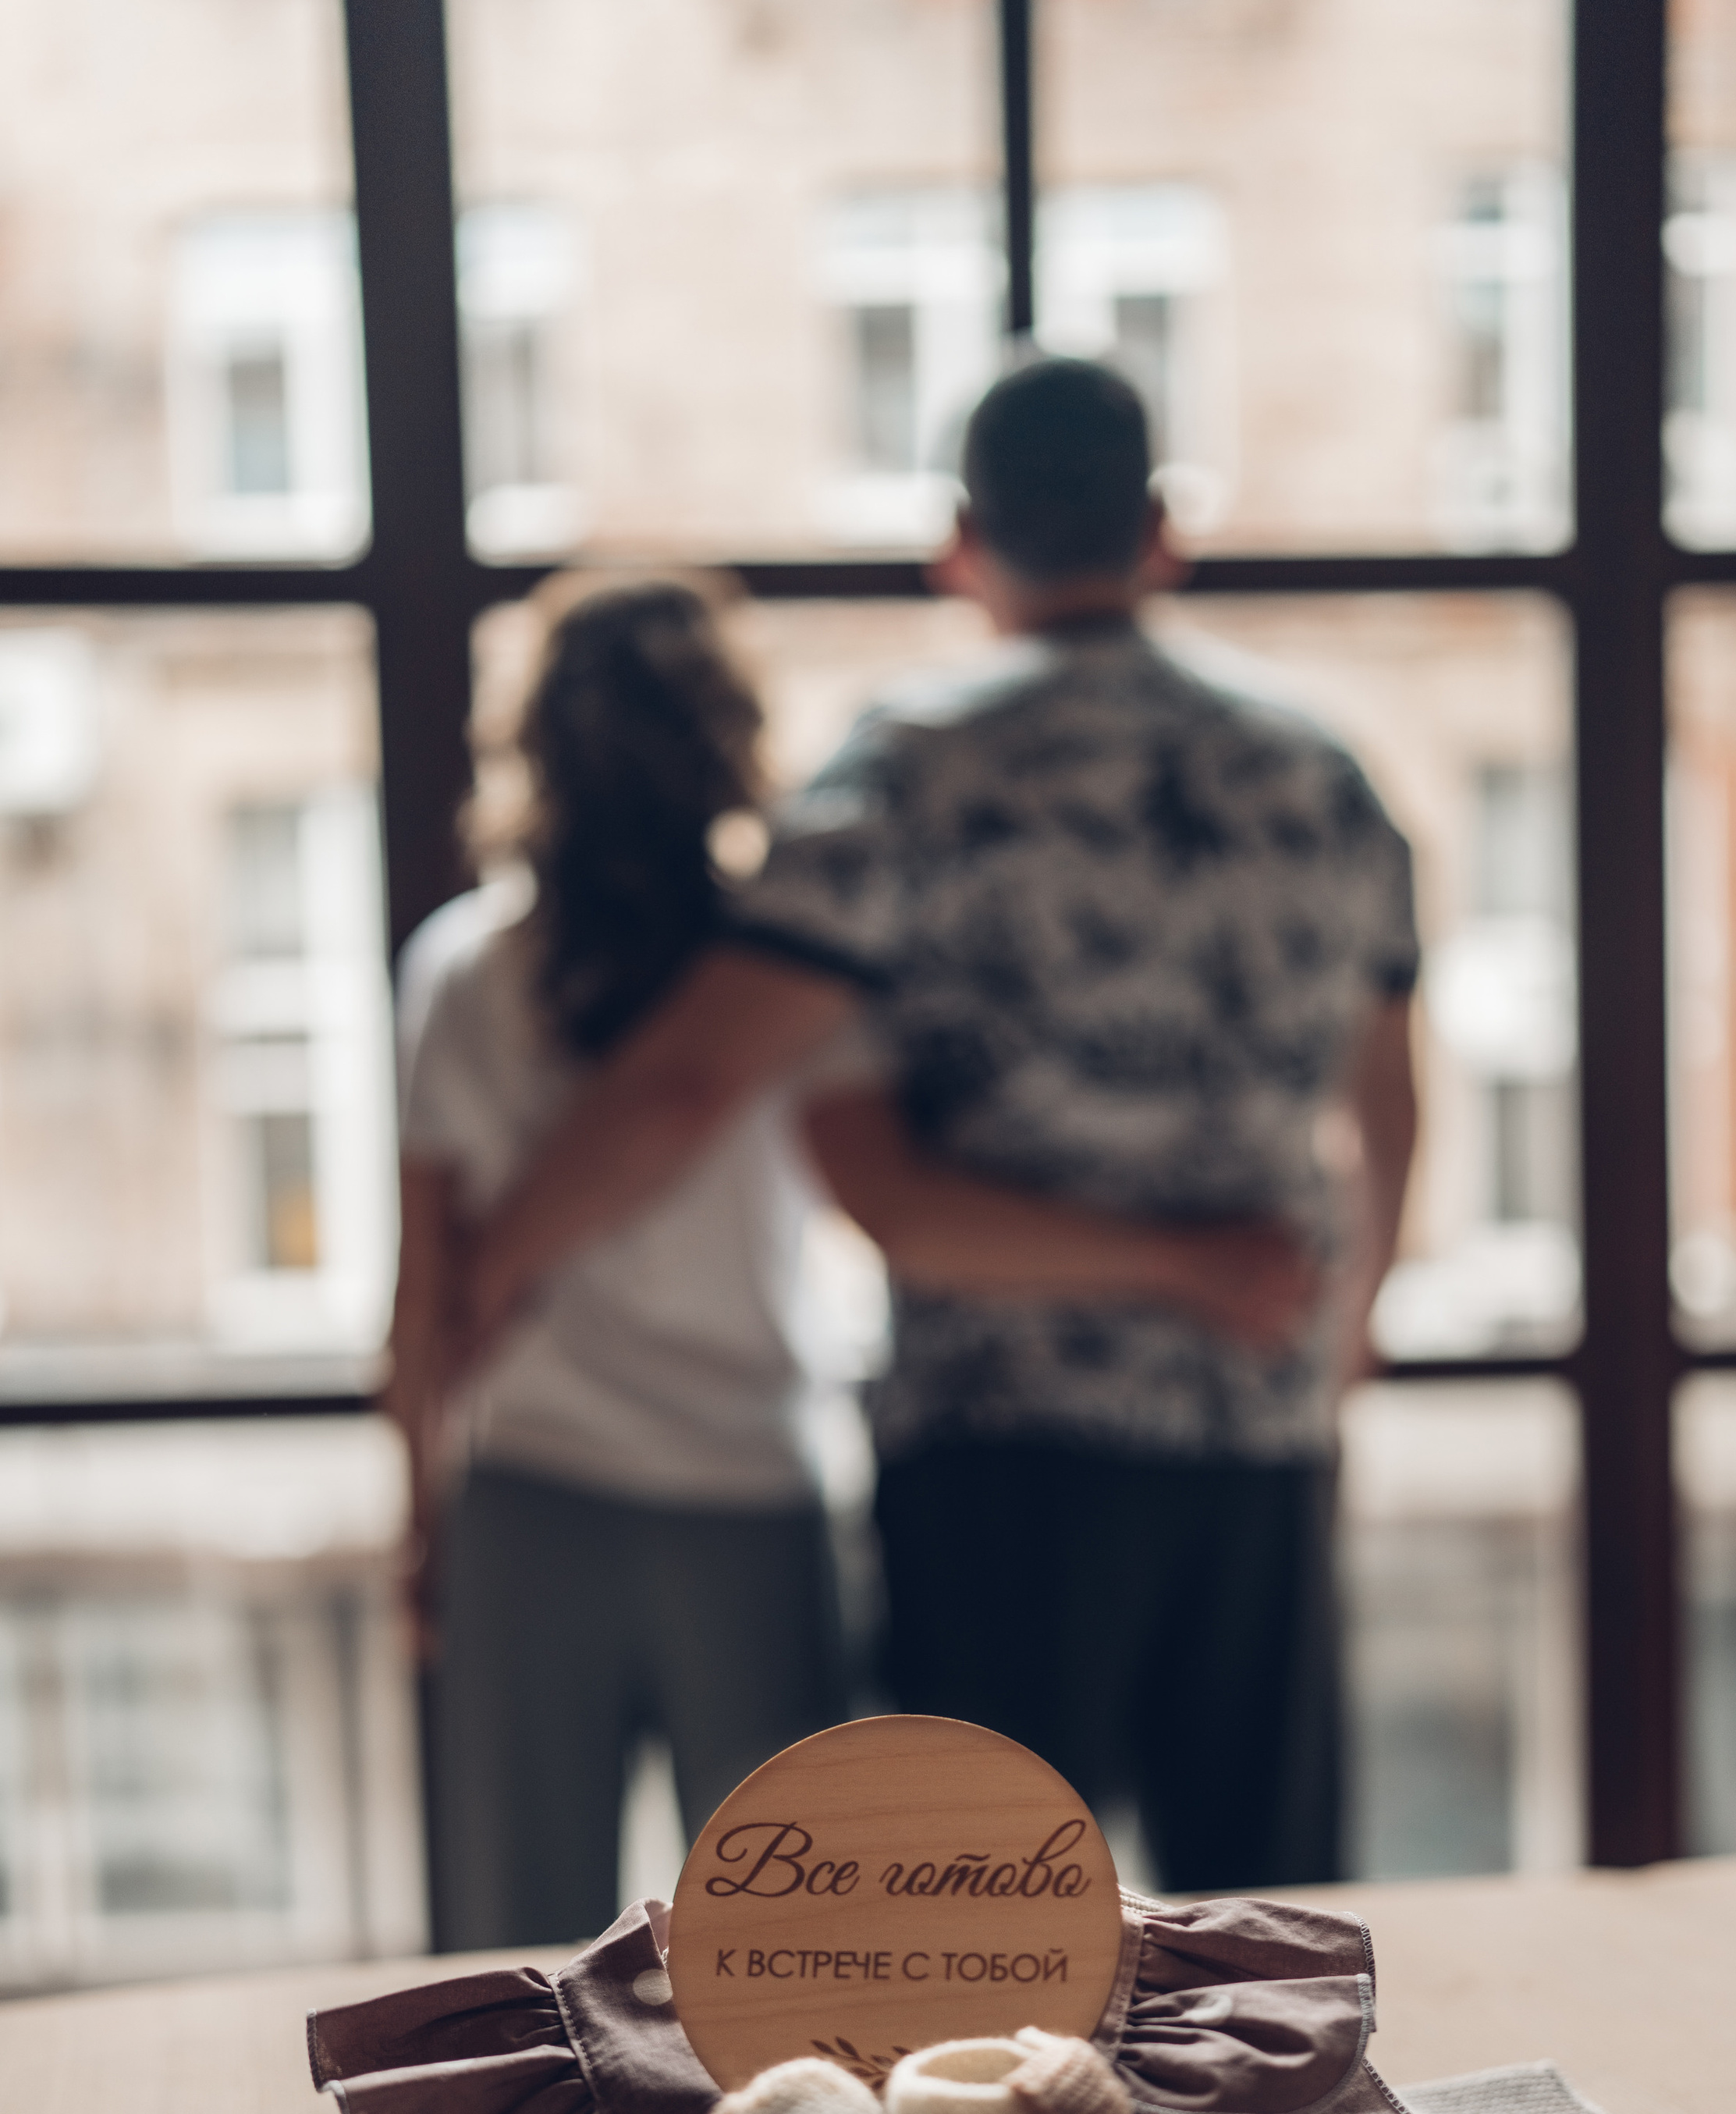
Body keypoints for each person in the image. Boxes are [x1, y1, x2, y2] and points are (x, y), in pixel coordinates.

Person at [453, 359, 1418, 1892]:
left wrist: (489, 1262)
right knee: (1264, 1924)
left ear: (959, 542)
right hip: (1258, 1428)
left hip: (999, 1458)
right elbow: (1387, 1097)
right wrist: (1332, 1330)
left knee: (992, 1942)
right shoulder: (1319, 775)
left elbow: (703, 1092)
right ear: (1159, 532)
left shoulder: (909, 774)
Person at [389, 576, 851, 1949]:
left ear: (536, 743)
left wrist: (423, 1521)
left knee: (520, 1946)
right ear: (728, 737)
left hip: (532, 1494)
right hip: (750, 1492)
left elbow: (426, 1290)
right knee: (790, 1959)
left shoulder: (466, 969)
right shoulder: (786, 966)